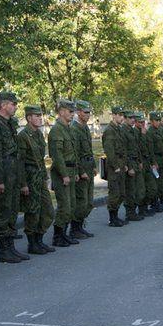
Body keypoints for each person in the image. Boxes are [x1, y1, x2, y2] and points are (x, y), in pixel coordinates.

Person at [0, 91, 29, 263]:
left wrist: (21, 180)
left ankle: (11, 246)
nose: (15, 107)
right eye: (13, 104)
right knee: (4, 210)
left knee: (12, 209)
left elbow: (16, 152)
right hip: (4, 170)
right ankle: (4, 249)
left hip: (13, 169)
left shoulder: (10, 123)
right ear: (4, 105)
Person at [17, 105, 55, 254]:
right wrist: (23, 184)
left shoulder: (38, 134)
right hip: (29, 177)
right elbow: (19, 162)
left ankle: (39, 239)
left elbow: (40, 159)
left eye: (40, 116)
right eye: (36, 116)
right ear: (29, 118)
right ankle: (32, 243)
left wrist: (45, 177)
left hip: (39, 177)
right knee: (32, 211)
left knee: (48, 211)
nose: (40, 118)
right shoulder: (23, 136)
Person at [48, 99, 80, 246]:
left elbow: (73, 153)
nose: (72, 114)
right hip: (63, 172)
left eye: (73, 111)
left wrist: (76, 172)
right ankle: (57, 236)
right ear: (61, 112)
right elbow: (57, 155)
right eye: (70, 111)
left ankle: (64, 234)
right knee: (65, 206)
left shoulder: (68, 128)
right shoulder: (57, 130)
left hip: (71, 170)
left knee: (72, 205)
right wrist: (64, 174)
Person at [70, 99, 96, 239]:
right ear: (78, 112)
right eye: (85, 112)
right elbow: (75, 153)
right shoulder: (74, 129)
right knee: (82, 201)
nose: (88, 115)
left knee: (89, 202)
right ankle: (75, 228)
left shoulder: (85, 127)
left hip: (88, 165)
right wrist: (81, 171)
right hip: (81, 168)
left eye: (89, 112)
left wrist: (93, 167)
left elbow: (88, 150)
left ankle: (79, 226)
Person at [102, 106, 127, 226]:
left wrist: (124, 164)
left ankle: (116, 216)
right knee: (114, 192)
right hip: (114, 165)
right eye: (119, 115)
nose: (122, 117)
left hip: (121, 163)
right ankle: (112, 218)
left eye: (123, 115)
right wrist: (115, 165)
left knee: (122, 192)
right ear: (114, 115)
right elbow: (109, 150)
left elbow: (123, 148)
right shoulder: (109, 130)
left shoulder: (119, 129)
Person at [122, 111, 144, 222]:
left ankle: (134, 210)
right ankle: (129, 212)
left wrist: (140, 161)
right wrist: (129, 166)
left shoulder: (133, 131)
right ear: (125, 118)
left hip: (136, 161)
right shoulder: (123, 131)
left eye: (133, 118)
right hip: (130, 162)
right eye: (130, 118)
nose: (132, 120)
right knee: (130, 189)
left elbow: (137, 147)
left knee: (138, 189)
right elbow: (124, 151)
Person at [147, 112, 163, 211]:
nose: (158, 122)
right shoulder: (150, 132)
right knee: (155, 182)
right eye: (156, 120)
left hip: (162, 157)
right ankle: (154, 203)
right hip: (155, 158)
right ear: (151, 121)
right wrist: (154, 163)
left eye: (158, 120)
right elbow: (151, 150)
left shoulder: (159, 130)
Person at [134, 112, 156, 217]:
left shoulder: (145, 132)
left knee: (151, 187)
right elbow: (139, 148)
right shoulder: (135, 133)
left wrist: (153, 162)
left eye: (143, 122)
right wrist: (142, 135)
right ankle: (142, 209)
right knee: (141, 188)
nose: (142, 124)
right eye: (140, 122)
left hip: (147, 162)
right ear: (136, 122)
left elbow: (150, 149)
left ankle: (146, 206)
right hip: (141, 162)